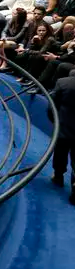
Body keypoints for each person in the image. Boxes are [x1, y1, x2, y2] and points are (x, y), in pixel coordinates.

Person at [49, 68, 75, 204]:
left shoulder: (63, 82)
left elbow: (52, 105)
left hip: (64, 126)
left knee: (60, 153)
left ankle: (58, 176)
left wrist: (54, 120)